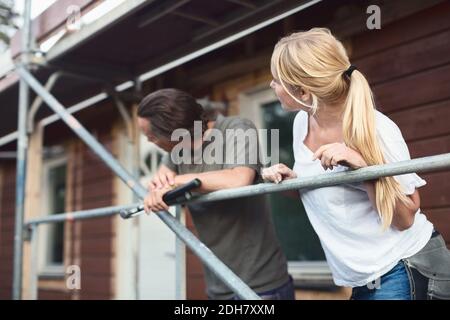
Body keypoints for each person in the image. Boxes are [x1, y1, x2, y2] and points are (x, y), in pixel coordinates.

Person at [262, 28, 450, 300]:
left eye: (276, 80)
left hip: (402, 267)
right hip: (364, 279)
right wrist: (291, 180)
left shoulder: (377, 129)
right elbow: (328, 195)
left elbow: (405, 218)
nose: (271, 85)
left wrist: (364, 169)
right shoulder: (301, 123)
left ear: (303, 92)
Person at [137, 88, 294, 300]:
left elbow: (239, 179)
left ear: (173, 129)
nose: (149, 142)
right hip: (218, 284)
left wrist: (177, 182)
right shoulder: (177, 152)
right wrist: (155, 192)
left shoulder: (235, 129)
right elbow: (159, 183)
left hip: (260, 284)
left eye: (152, 137)